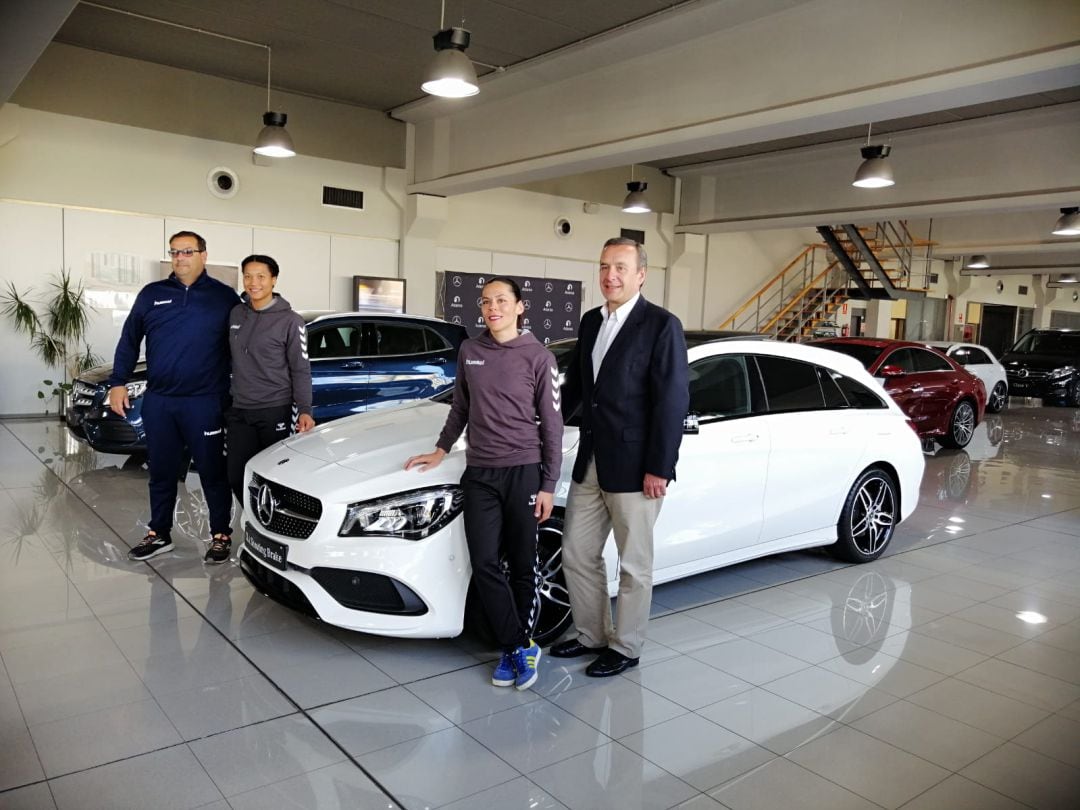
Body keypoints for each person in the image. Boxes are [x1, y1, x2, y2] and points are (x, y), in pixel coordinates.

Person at [405, 277, 563, 691]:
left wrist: (548, 484)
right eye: (486, 301)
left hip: (523, 471)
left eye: (501, 301)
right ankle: (516, 646)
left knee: (524, 564)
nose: (492, 308)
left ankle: (518, 645)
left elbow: (552, 426)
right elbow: (460, 408)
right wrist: (440, 450)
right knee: (485, 562)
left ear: (519, 307)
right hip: (480, 473)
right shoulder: (471, 351)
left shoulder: (538, 357)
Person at [551, 237, 689, 677]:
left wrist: (659, 467)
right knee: (576, 551)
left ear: (641, 275)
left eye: (621, 268)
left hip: (636, 467)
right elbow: (576, 389)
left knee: (633, 563)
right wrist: (542, 421)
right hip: (591, 460)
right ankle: (590, 633)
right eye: (604, 266)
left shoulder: (661, 326)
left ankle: (626, 646)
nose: (610, 275)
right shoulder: (592, 321)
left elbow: (672, 402)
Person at [109, 231, 240, 563]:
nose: (180, 257)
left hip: (205, 402)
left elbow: (244, 346)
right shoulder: (152, 294)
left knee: (212, 472)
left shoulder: (224, 297)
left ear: (203, 255)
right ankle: (159, 533)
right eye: (175, 252)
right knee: (162, 471)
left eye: (187, 251)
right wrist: (118, 382)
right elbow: (129, 339)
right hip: (161, 401)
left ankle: (221, 534)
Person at [221, 254, 315, 563]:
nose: (253, 283)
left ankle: (271, 541)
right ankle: (257, 526)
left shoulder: (291, 321)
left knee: (273, 480)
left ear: (274, 280)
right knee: (236, 475)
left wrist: (304, 409)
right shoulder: (236, 313)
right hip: (239, 408)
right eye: (248, 276)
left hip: (274, 408)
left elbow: (301, 369)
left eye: (261, 276)